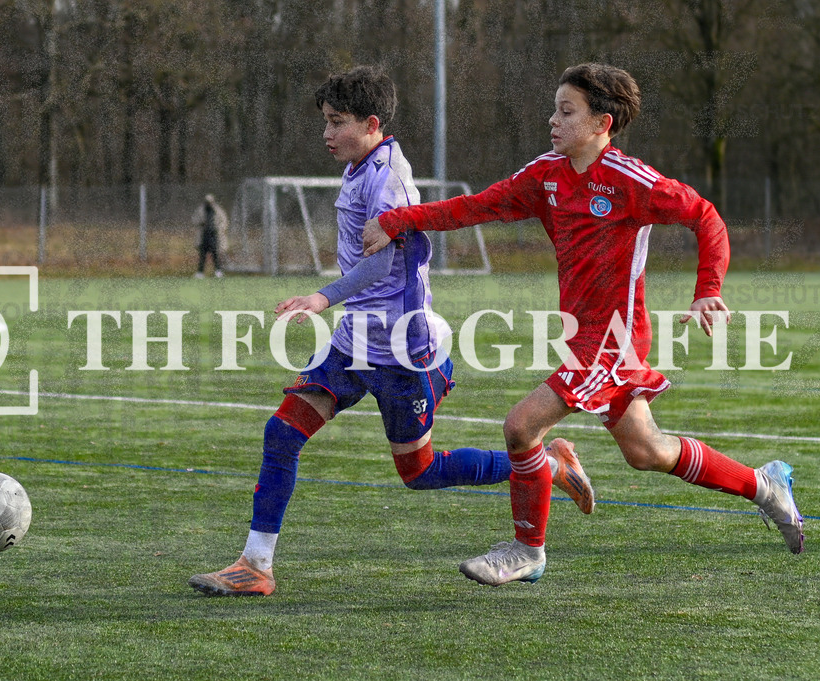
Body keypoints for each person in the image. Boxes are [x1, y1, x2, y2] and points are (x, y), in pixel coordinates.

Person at [362, 63, 804, 587]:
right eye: (554, 108)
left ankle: (528, 550)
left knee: (521, 426)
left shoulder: (628, 179)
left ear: (603, 123)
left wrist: (709, 288)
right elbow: (474, 207)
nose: (552, 120)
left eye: (566, 111)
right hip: (582, 335)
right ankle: (765, 485)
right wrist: (398, 220)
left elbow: (705, 216)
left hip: (613, 338)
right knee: (646, 451)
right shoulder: (545, 175)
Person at [189, 65, 595, 597]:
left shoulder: (389, 179)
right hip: (352, 343)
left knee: (419, 472)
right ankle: (255, 565)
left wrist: (320, 297)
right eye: (325, 122)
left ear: (372, 123)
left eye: (337, 123)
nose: (327, 134)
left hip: (403, 352)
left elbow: (379, 269)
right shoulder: (361, 165)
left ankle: (548, 463)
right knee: (282, 433)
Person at [192, 194, 228, 278]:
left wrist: (219, 228)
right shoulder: (200, 210)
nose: (208, 203)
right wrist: (200, 223)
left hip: (214, 235)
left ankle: (218, 271)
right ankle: (200, 272)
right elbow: (194, 220)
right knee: (202, 255)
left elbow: (224, 221)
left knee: (215, 254)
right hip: (204, 235)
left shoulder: (218, 210)